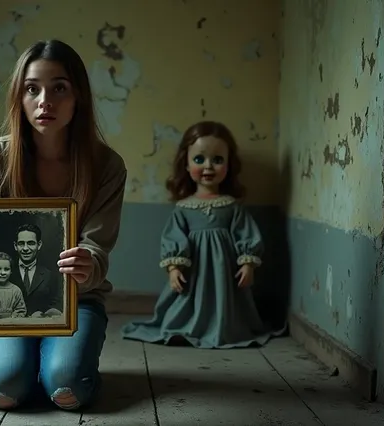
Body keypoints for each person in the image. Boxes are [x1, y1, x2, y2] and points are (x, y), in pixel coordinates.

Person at [0, 39, 127, 411]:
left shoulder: (107, 166)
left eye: (59, 88)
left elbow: (97, 247)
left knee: (67, 389)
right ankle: (25, 364)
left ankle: (63, 365)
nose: (45, 101)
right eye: (32, 88)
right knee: (5, 391)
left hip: (76, 300)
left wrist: (86, 263)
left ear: (79, 98)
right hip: (5, 303)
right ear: (19, 96)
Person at [120, 121, 282, 349]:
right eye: (199, 159)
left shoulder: (231, 206)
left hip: (224, 274)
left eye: (217, 160)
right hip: (193, 272)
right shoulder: (184, 208)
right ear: (186, 164)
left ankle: (223, 326)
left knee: (226, 303)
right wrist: (174, 268)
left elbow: (245, 235)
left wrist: (248, 264)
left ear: (229, 165)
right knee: (186, 301)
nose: (208, 167)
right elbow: (173, 238)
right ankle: (189, 326)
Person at [13, 223, 62, 318]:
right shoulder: (5, 274)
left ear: (39, 245)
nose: (25, 248)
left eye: (30, 243)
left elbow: (56, 305)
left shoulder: (50, 276)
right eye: (21, 243)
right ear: (15, 246)